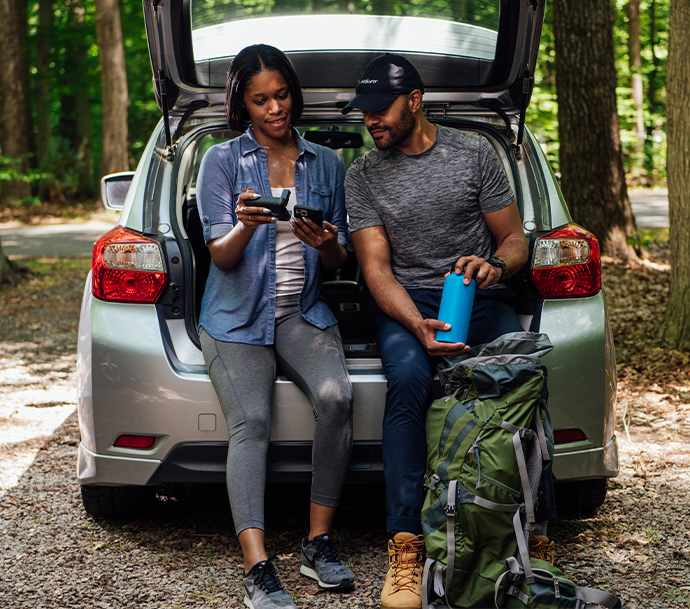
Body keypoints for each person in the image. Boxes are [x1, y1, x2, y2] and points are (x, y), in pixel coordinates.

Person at [342, 53, 557, 609]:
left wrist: (496, 267)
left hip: (477, 296)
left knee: (522, 376)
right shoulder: (363, 174)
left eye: (379, 110)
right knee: (409, 382)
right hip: (406, 302)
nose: (370, 122)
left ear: (414, 100)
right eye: (363, 112)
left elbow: (514, 240)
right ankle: (406, 544)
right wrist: (415, 324)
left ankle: (534, 531)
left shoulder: (475, 152)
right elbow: (375, 269)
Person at [196, 44, 355, 609]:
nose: (274, 109)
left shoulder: (327, 164)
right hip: (234, 319)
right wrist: (242, 225)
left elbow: (339, 263)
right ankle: (258, 568)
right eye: (260, 99)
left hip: (299, 314)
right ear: (242, 102)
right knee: (253, 420)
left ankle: (318, 543)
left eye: (281, 95)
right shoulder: (221, 161)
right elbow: (220, 255)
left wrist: (329, 244)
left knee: (337, 397)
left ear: (294, 92)